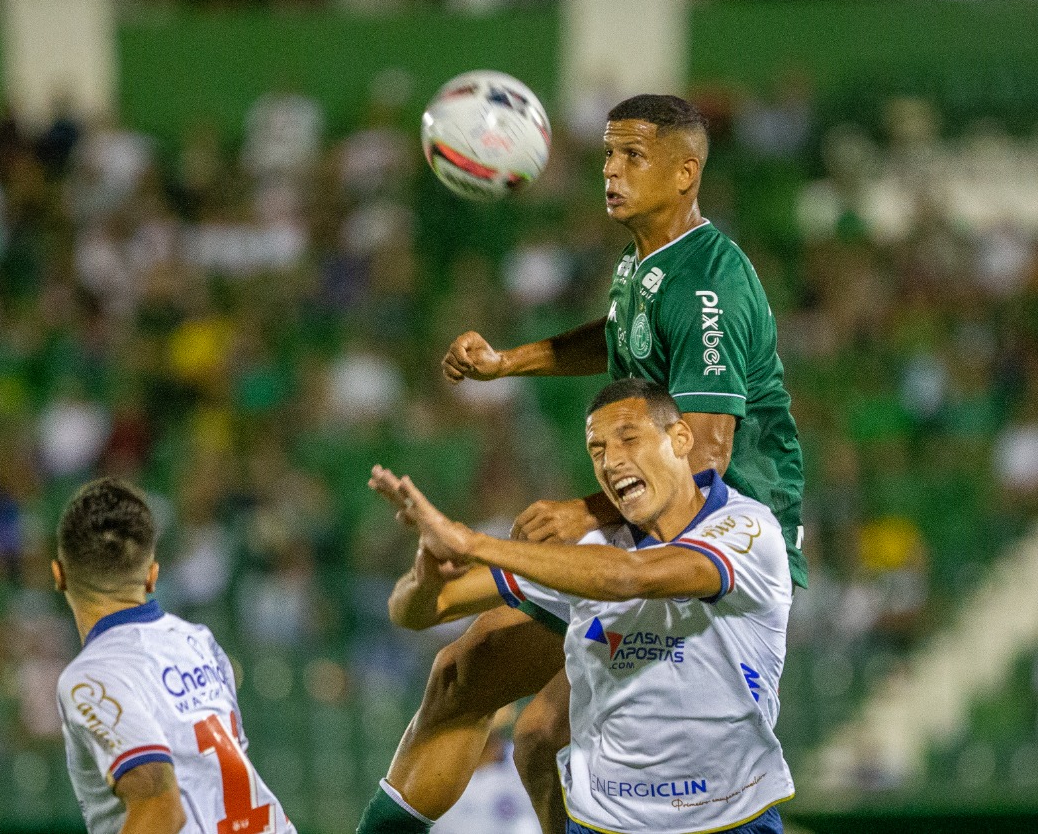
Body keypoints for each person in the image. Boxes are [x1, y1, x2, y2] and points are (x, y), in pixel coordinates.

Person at [356, 94, 805, 834]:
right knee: (522, 726)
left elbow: (710, 452)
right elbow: (621, 333)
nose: (611, 171)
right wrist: (508, 362)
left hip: (715, 530)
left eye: (633, 156)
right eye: (606, 155)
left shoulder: (707, 284)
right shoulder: (649, 265)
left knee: (497, 694)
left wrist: (586, 511)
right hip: (648, 518)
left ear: (686, 171)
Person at [371, 379, 796, 834]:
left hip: (730, 818)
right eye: (597, 451)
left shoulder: (747, 529)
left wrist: (473, 544)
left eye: (629, 439)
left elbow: (631, 577)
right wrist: (426, 578)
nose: (612, 462)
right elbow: (417, 611)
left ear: (681, 440)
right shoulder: (585, 551)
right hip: (603, 825)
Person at [52, 477, 296, 834]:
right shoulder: (200, 643)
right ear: (152, 576)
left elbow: (161, 808)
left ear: (59, 576)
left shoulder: (91, 676)